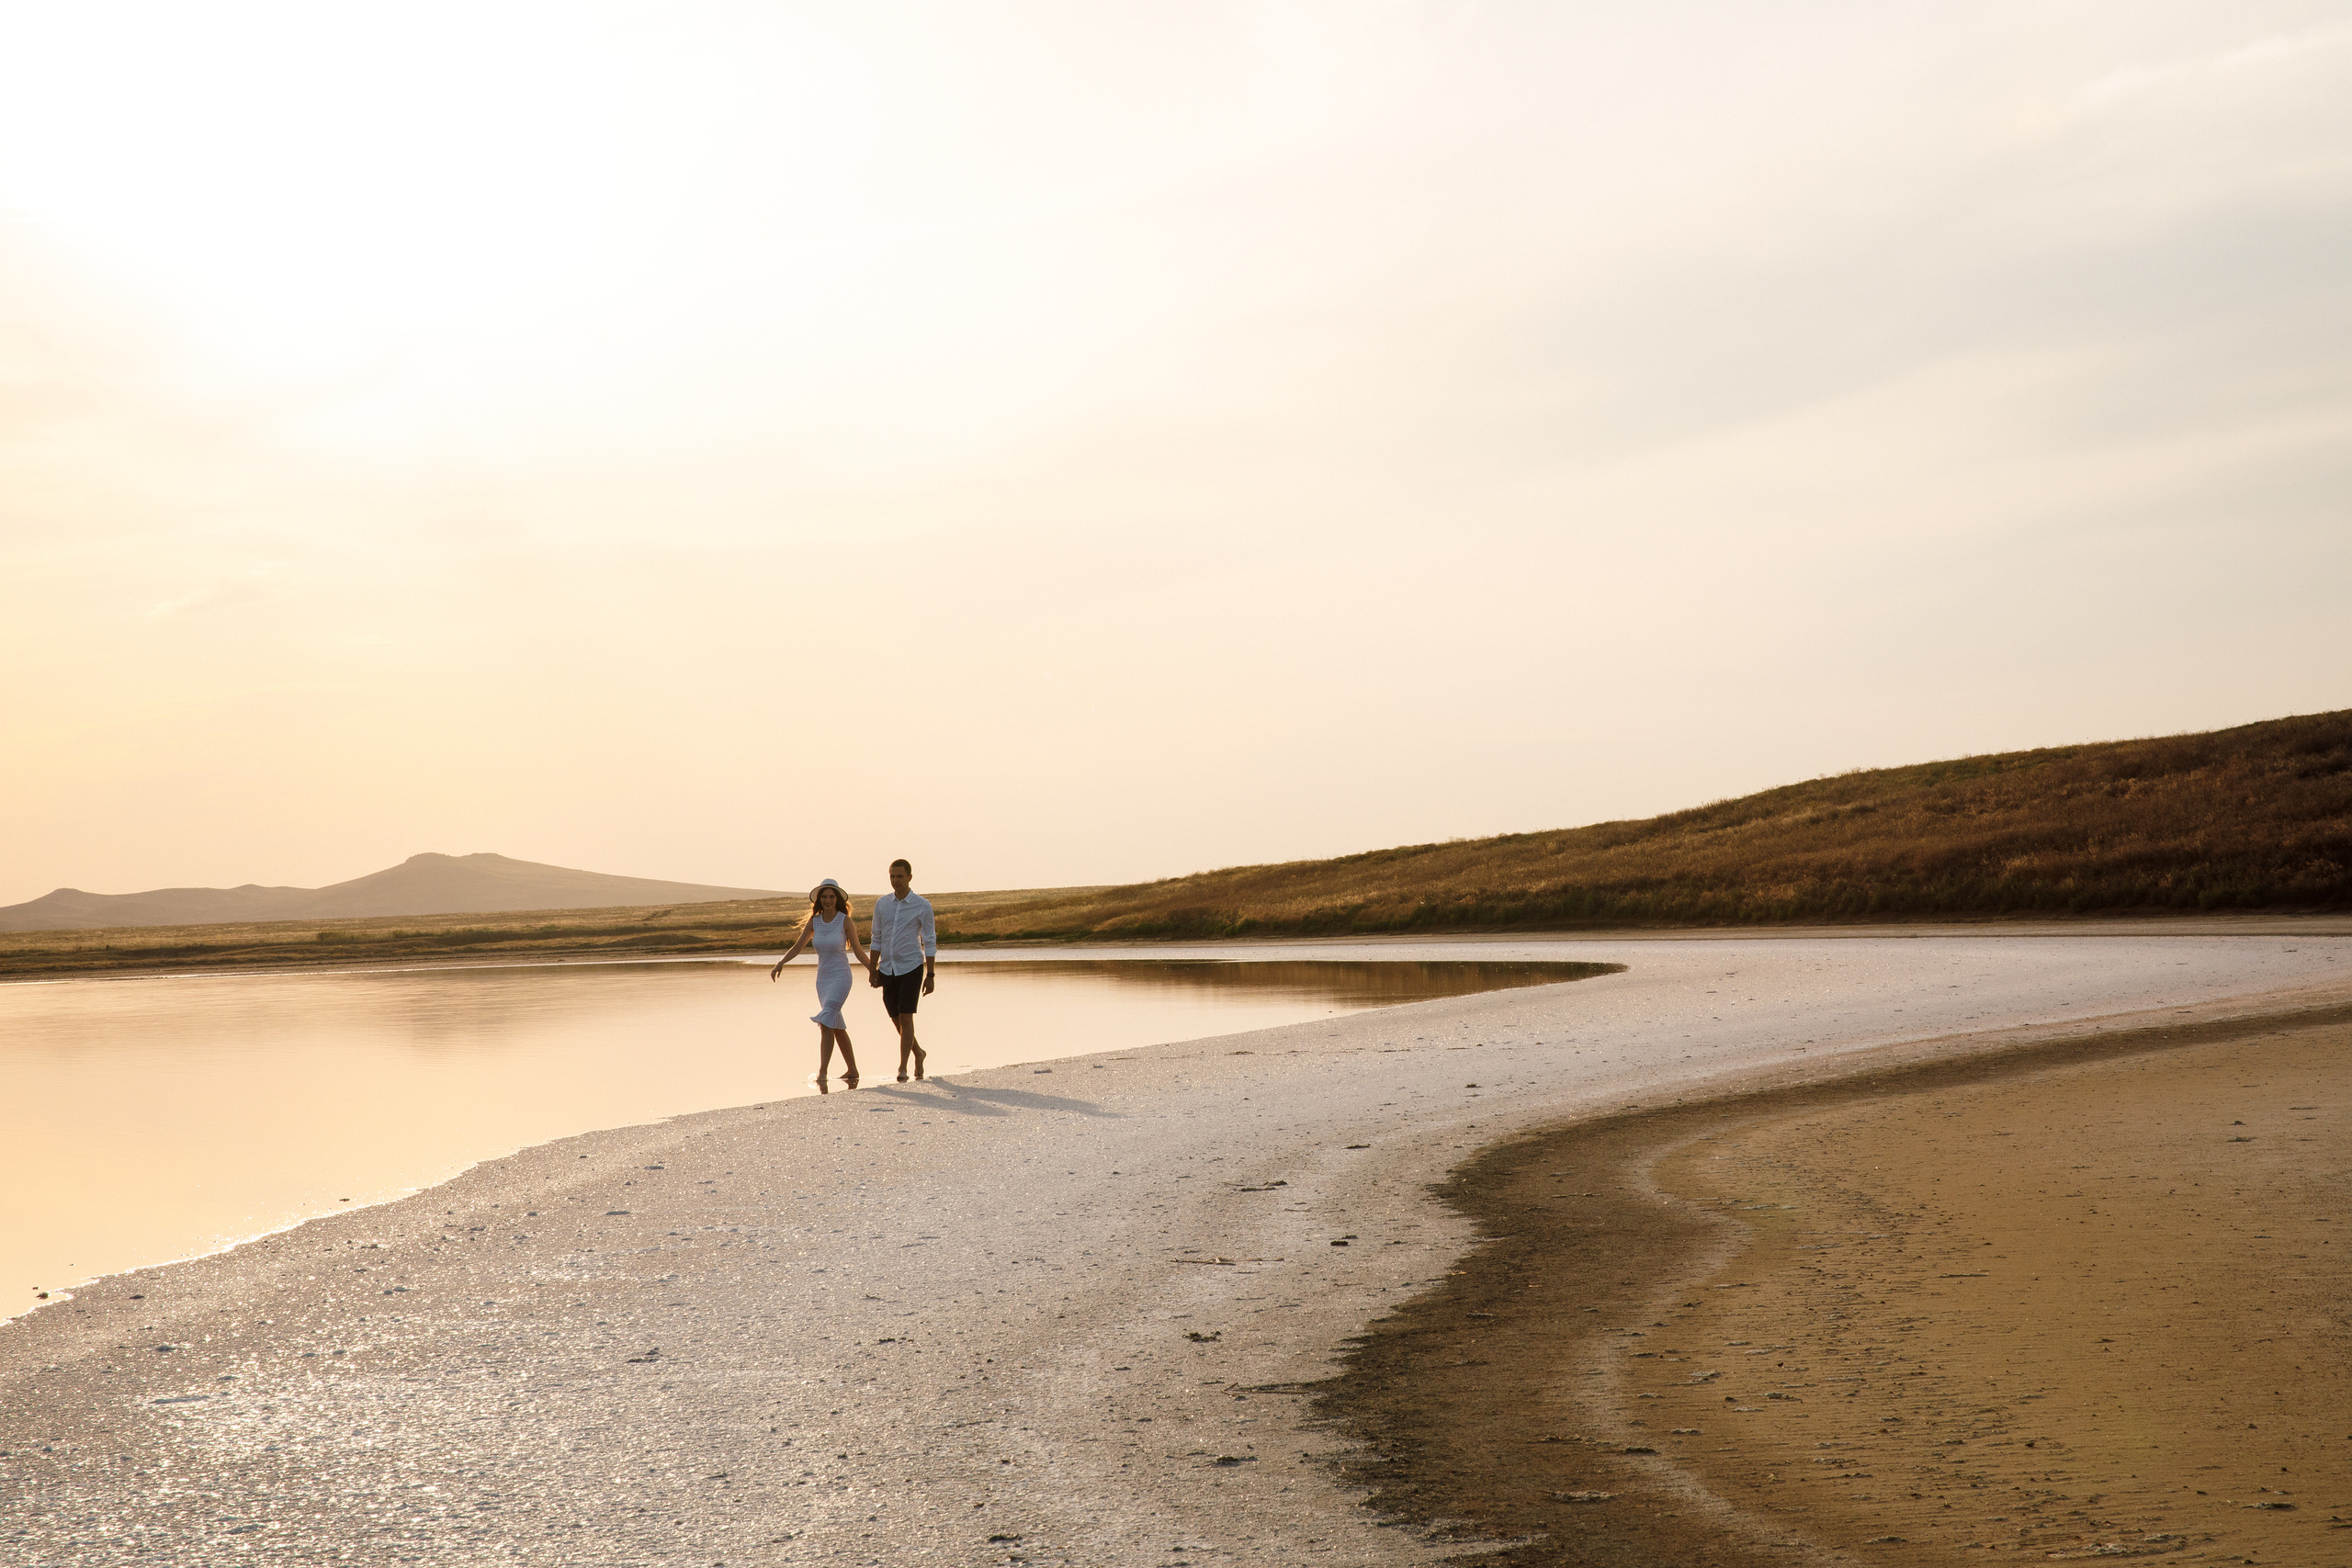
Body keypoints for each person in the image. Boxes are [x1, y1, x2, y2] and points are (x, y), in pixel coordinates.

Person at [769, 879, 877, 1088]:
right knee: (835, 1025)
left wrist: (875, 971)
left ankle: (822, 1072)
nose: (828, 900)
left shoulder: (844, 921)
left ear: (838, 899)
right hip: (823, 979)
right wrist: (780, 962)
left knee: (827, 1019)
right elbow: (798, 947)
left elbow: (857, 950)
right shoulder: (814, 922)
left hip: (841, 976)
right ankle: (852, 1069)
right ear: (820, 900)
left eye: (832, 897)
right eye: (824, 897)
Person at [869, 857, 935, 1080]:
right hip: (887, 969)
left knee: (906, 1017)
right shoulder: (882, 904)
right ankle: (918, 1052)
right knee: (895, 1017)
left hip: (911, 967)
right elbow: (876, 938)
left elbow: (930, 941)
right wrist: (872, 969)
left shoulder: (922, 905)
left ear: (909, 877)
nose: (895, 880)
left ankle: (902, 1067)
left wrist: (931, 975)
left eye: (899, 876)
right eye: (892, 876)